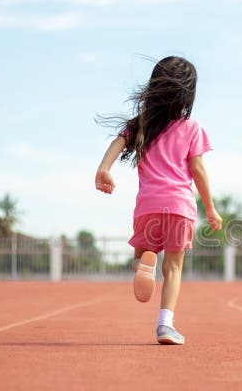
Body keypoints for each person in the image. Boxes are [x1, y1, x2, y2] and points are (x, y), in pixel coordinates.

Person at [94, 55, 222, 345]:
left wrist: (104, 168)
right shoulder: (191, 128)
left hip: (148, 207)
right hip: (180, 208)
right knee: (173, 268)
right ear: (188, 94)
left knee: (141, 257)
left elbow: (119, 141)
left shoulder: (142, 124)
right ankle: (165, 325)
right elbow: (198, 170)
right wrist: (211, 209)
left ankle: (142, 266)